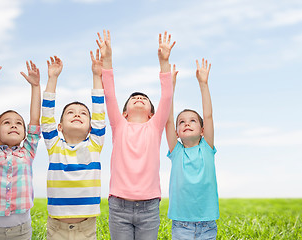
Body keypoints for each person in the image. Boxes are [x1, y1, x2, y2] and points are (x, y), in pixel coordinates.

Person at [96, 30, 174, 240]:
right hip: (118, 205)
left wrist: (164, 63)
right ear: (124, 112)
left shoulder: (155, 126)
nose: (139, 98)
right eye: (134, 98)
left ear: (151, 113)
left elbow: (167, 97)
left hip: (149, 206)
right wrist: (108, 59)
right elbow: (110, 94)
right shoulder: (118, 125)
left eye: (143, 98)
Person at [41, 54, 105, 240]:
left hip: (86, 227)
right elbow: (46, 117)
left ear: (91, 128)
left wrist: (96, 76)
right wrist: (53, 78)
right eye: (70, 112)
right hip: (57, 227)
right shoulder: (54, 146)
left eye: (83, 113)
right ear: (59, 127)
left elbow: (99, 112)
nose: (77, 114)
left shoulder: (94, 144)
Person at [0, 57, 41, 239]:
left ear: (25, 133)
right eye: (7, 122)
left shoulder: (27, 152)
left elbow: (35, 121)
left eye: (19, 123)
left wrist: (35, 87)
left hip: (21, 230)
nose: (14, 125)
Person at [165, 59, 219, 240]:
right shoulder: (176, 151)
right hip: (182, 225)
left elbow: (209, 116)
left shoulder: (207, 147)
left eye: (193, 120)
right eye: (182, 122)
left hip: (207, 224)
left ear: (203, 131)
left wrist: (203, 84)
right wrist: (170, 88)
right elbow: (167, 119)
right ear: (177, 132)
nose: (186, 123)